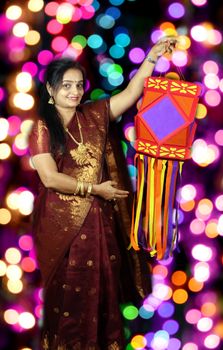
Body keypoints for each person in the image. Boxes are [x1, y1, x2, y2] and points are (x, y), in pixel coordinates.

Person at [29, 37, 177, 350]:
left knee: (104, 300)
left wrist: (151, 59)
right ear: (51, 91)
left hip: (101, 223)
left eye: (79, 85)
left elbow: (132, 93)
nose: (74, 92)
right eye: (66, 86)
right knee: (69, 302)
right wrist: (95, 189)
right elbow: (50, 178)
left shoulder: (93, 115)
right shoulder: (43, 126)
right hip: (63, 227)